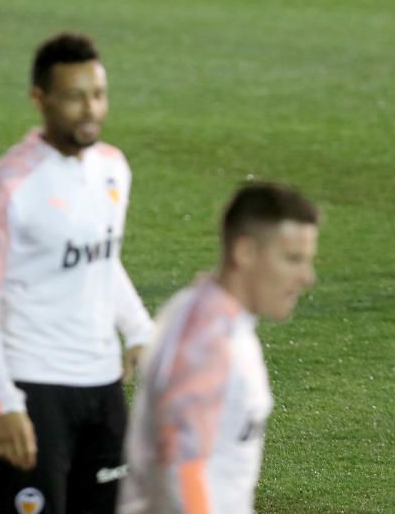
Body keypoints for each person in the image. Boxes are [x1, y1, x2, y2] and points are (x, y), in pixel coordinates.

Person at [0, 33, 155, 514]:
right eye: (74, 97)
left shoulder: (114, 168)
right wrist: (3, 403)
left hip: (104, 387)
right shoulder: (6, 188)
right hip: (35, 390)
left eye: (98, 94)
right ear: (40, 100)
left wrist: (139, 331)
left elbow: (103, 261)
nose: (90, 109)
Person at [117, 182, 320, 514]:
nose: (307, 276)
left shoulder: (212, 316)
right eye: (292, 259)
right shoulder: (208, 343)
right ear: (245, 252)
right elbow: (182, 467)